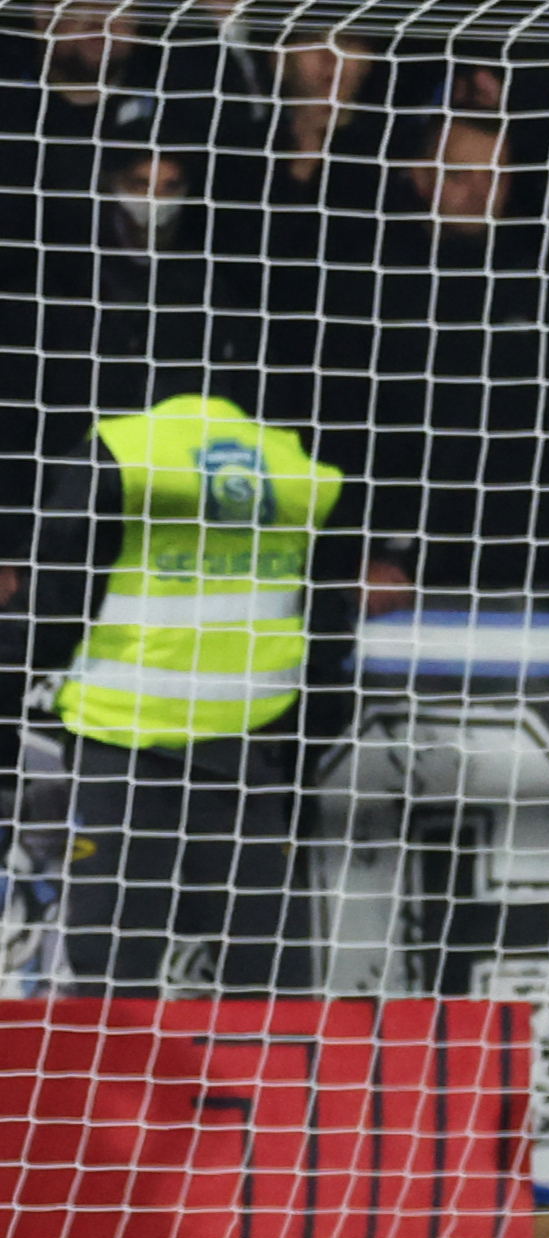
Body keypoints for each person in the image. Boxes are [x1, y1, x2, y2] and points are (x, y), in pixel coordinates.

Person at [15, 386, 344, 993]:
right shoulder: (297, 468)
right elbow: (329, 623)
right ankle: (261, 1089)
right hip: (251, 746)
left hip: (122, 742)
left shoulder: (120, 451)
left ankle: (114, 1093)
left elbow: (52, 603)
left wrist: (21, 671)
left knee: (111, 974)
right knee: (265, 975)